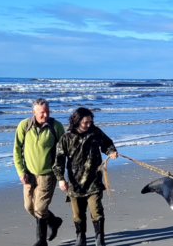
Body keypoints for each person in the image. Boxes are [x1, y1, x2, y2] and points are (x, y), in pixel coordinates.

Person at [53, 107, 118, 246]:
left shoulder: (95, 132)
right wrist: (60, 179)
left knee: (97, 210)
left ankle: (100, 239)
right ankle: (80, 238)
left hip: (94, 180)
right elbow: (59, 159)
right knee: (78, 214)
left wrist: (111, 152)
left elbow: (107, 144)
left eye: (90, 121)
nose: (89, 124)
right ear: (77, 121)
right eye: (86, 122)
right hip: (74, 182)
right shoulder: (66, 137)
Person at [13, 98, 65, 246]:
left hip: (48, 174)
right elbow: (17, 150)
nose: (45, 115)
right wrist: (20, 171)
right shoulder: (24, 125)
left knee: (40, 208)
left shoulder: (56, 126)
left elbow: (64, 151)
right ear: (34, 112)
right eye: (42, 112)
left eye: (47, 111)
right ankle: (54, 221)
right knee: (29, 207)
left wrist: (61, 175)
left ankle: (41, 241)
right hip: (28, 174)